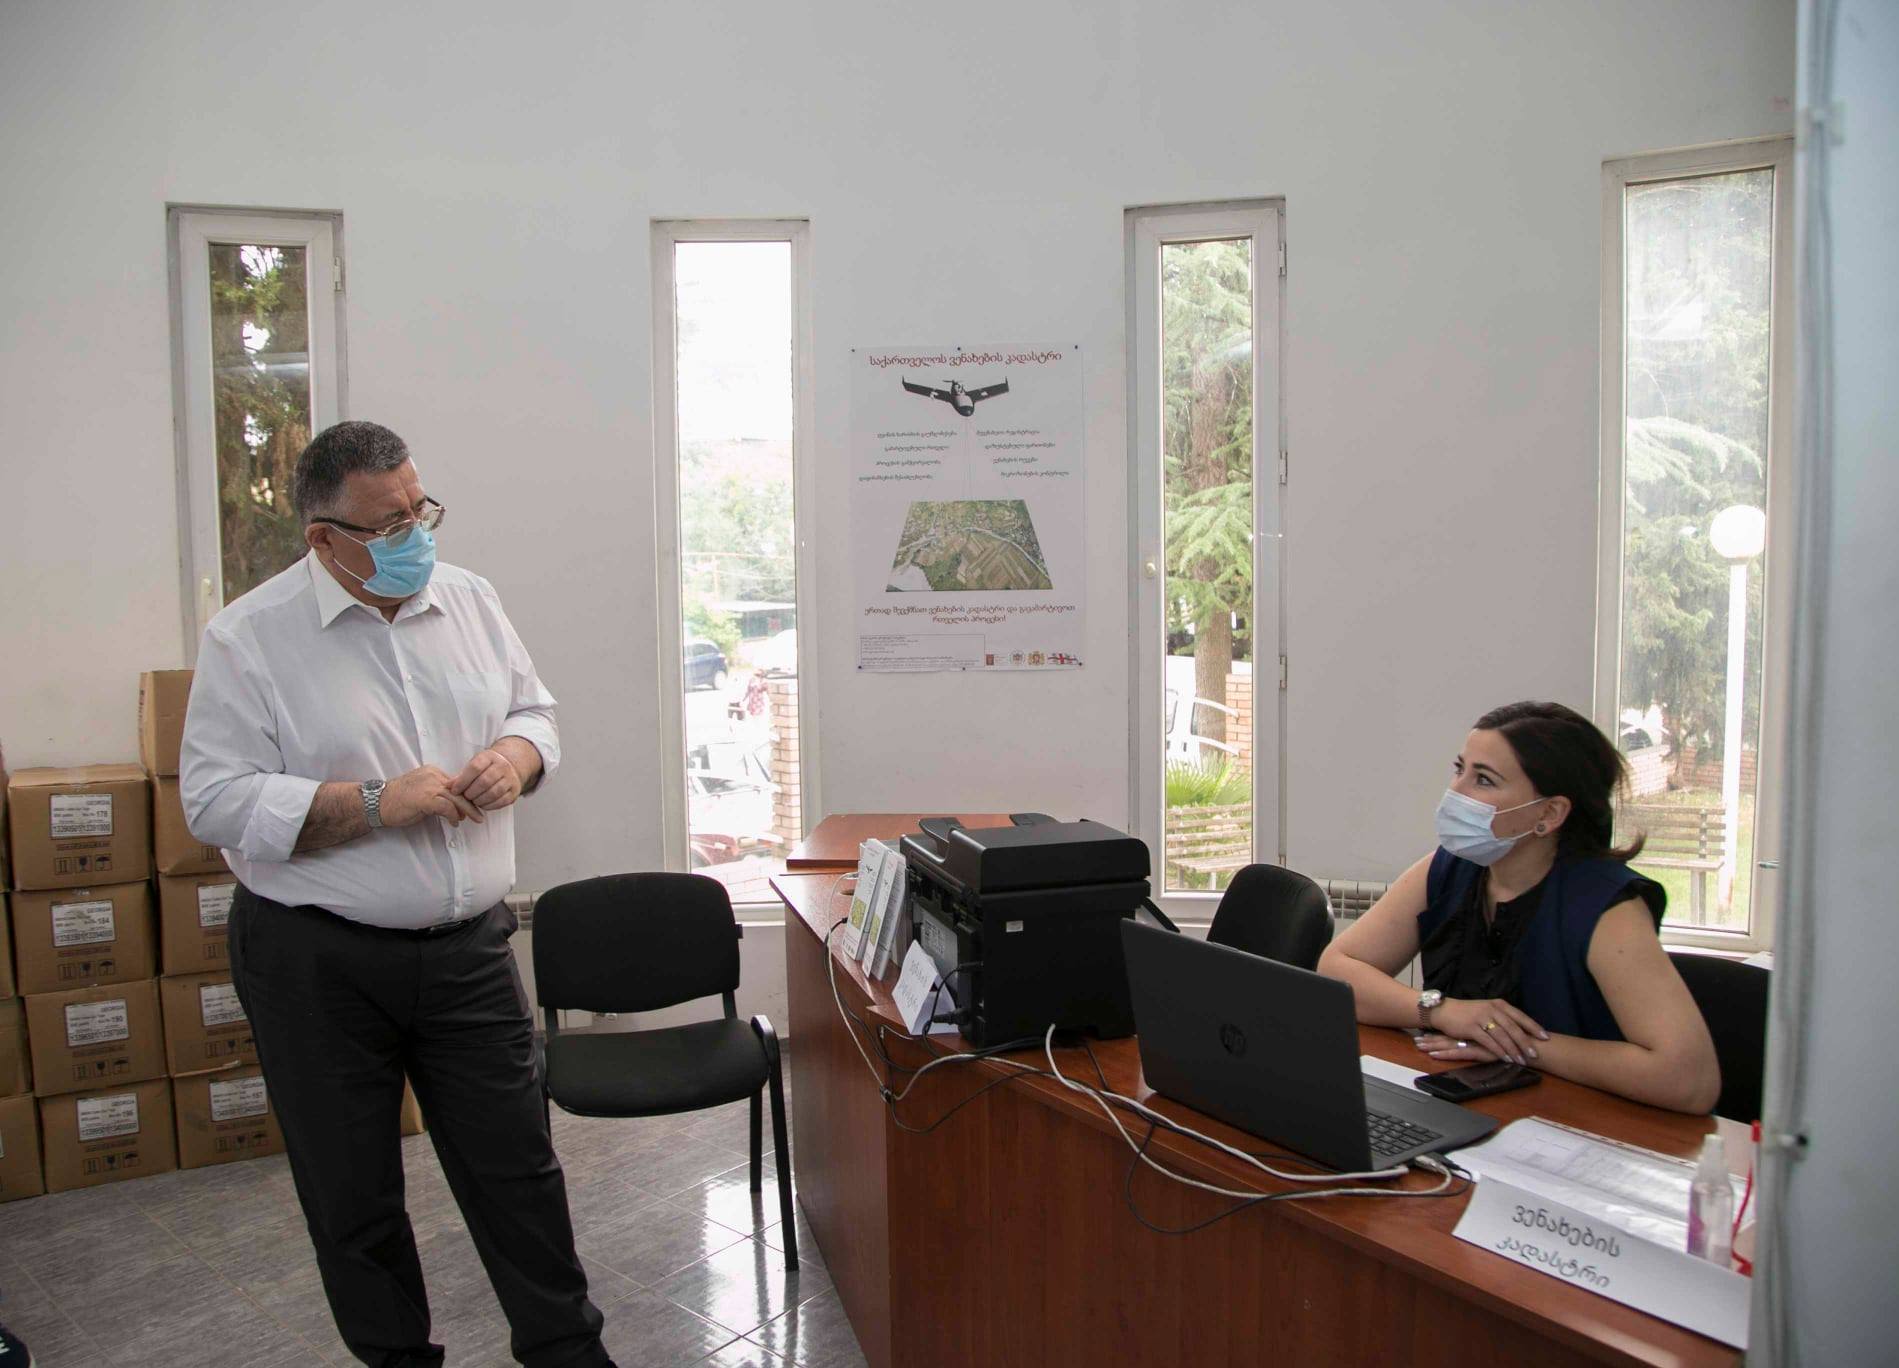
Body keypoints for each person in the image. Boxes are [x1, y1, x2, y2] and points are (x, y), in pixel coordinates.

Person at [181, 421, 614, 1368]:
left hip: (466, 950)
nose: (415, 535)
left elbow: (534, 710)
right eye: (388, 525)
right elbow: (212, 802)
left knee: (518, 1172)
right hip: (316, 961)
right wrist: (373, 804)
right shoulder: (249, 637)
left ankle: (568, 1354)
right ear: (322, 538)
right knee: (353, 1195)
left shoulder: (470, 599)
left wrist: (515, 757)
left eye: (421, 510)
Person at [1317, 700, 1720, 1114]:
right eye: (1460, 769)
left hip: (1583, 1123)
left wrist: (1518, 1044)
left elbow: (1690, 1080)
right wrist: (1440, 1012)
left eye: (1484, 780)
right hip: (1471, 1106)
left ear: (1550, 813)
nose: (1456, 792)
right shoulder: (1449, 868)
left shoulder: (1606, 906)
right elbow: (1336, 969)